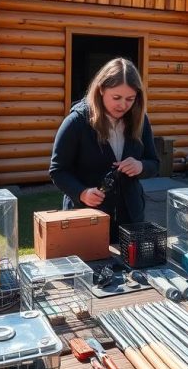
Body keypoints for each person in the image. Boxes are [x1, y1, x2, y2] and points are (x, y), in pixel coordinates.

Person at [49, 57, 159, 242]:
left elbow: (154, 163)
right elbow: (58, 171)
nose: (123, 105)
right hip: (86, 217)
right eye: (116, 97)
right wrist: (82, 192)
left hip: (131, 218)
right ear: (101, 90)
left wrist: (141, 166)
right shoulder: (76, 122)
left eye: (130, 99)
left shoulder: (141, 120)